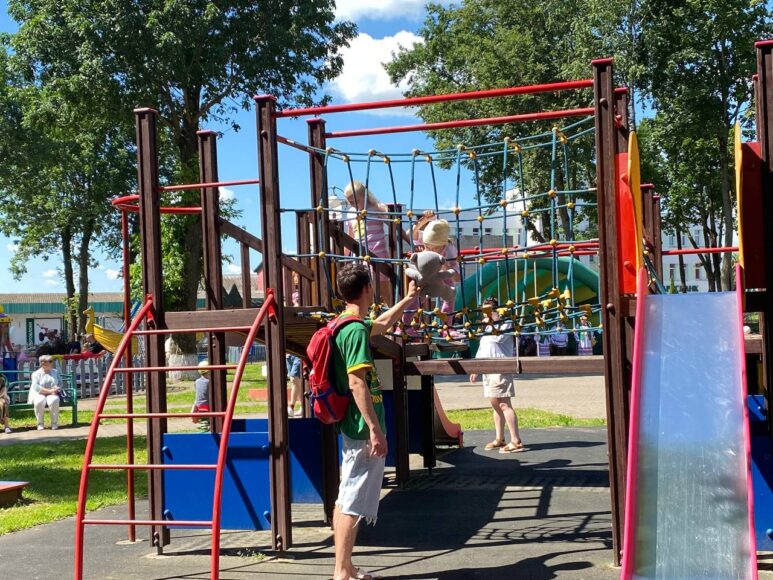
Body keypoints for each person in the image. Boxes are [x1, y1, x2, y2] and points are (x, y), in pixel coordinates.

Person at [331, 261, 417, 580]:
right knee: (352, 502)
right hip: (361, 429)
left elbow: (381, 322)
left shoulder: (347, 323)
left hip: (355, 427)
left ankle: (345, 567)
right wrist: (374, 429)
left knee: (346, 497)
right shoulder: (354, 331)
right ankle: (342, 572)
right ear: (367, 289)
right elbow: (357, 383)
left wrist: (407, 299)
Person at [469, 298, 523, 454]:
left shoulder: (505, 324)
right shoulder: (487, 327)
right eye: (483, 311)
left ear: (496, 311)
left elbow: (497, 338)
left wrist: (490, 323)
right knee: (495, 404)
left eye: (488, 311)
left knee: (504, 404)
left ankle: (516, 440)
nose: (485, 314)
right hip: (488, 369)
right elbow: (483, 348)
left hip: (500, 368)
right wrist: (475, 368)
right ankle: (500, 438)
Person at [403, 215, 462, 339]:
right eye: (427, 247)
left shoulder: (449, 249)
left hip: (442, 277)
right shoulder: (424, 238)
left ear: (443, 244)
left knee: (450, 296)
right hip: (425, 276)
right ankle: (405, 326)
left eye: (435, 248)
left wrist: (445, 265)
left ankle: (446, 327)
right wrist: (424, 221)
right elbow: (410, 234)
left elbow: (457, 276)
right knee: (416, 298)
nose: (431, 250)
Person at [343, 180, 397, 305]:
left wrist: (408, 241)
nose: (352, 204)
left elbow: (394, 226)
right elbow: (351, 236)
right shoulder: (351, 214)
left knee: (383, 289)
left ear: (365, 196)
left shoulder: (376, 208)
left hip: (378, 255)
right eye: (349, 202)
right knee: (365, 288)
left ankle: (392, 313)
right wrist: (345, 256)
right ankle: (370, 313)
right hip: (360, 255)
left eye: (355, 201)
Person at [29, 355, 62, 430]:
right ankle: (40, 423)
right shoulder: (36, 374)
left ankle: (54, 423)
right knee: (39, 401)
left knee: (54, 400)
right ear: (42, 363)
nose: (51, 363)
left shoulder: (55, 372)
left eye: (51, 361)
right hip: (39, 393)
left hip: (53, 393)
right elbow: (36, 387)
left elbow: (60, 383)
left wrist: (56, 389)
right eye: (49, 361)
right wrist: (49, 391)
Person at [191, 360, 210, 431]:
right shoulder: (209, 382)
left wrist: (194, 407)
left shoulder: (197, 381)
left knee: (204, 421)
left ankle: (204, 427)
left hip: (199, 406)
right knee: (207, 421)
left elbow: (198, 395)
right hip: (208, 406)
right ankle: (205, 430)